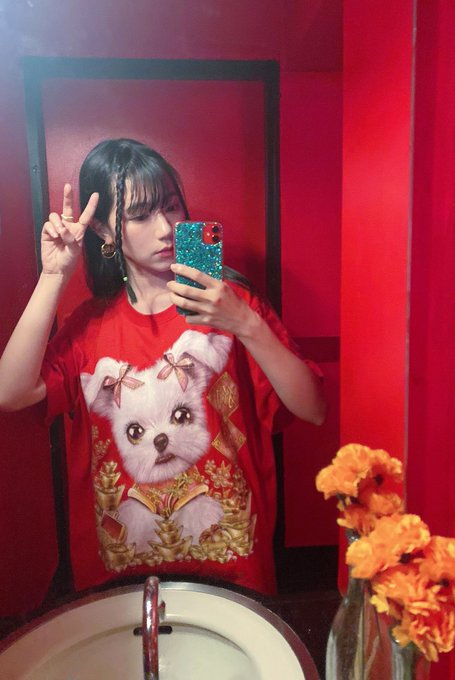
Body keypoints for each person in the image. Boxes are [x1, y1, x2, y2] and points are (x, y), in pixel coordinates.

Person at [0, 138, 326, 596]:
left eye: (172, 206)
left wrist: (246, 324)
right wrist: (54, 275)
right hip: (119, 588)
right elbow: (10, 392)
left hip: (235, 575)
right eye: (140, 215)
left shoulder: (232, 306)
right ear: (104, 231)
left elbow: (313, 408)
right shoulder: (89, 328)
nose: (166, 228)